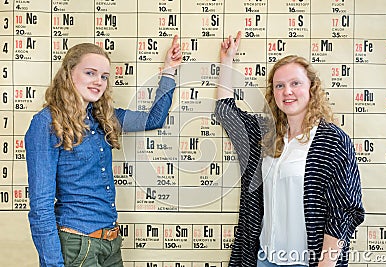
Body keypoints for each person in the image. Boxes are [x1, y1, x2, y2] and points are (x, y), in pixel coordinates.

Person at [25, 36, 182, 267]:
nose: (98, 81)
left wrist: (169, 71)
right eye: (90, 73)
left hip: (110, 242)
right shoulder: (46, 123)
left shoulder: (103, 118)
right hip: (77, 244)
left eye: (104, 76)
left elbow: (153, 119)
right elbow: (40, 206)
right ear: (69, 73)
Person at [214, 31, 364, 267]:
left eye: (295, 83)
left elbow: (344, 211)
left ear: (311, 87)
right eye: (280, 85)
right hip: (263, 258)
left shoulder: (333, 141)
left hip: (306, 262)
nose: (287, 91)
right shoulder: (266, 134)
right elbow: (226, 113)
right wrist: (227, 60)